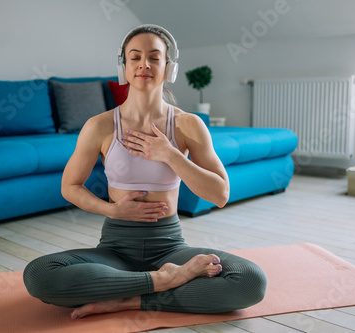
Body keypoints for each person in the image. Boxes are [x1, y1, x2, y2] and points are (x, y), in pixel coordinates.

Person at [23, 24, 267, 319]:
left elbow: (220, 194)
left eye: (154, 57)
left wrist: (170, 155)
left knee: (250, 281)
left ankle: (127, 299)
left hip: (170, 248)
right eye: (135, 57)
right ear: (123, 66)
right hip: (115, 249)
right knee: (38, 274)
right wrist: (111, 211)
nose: (144, 65)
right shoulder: (98, 126)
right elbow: (70, 186)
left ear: (169, 67)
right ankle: (165, 281)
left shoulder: (188, 125)